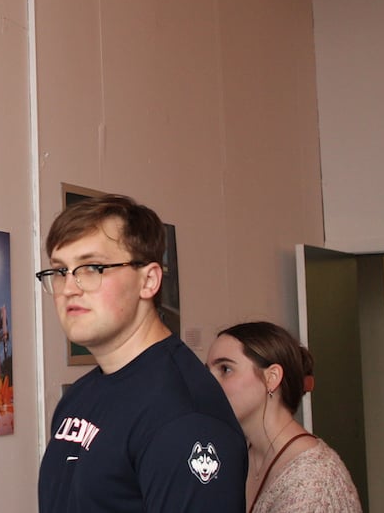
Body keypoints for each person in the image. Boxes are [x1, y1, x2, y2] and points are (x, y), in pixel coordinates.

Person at [37, 194, 247, 512]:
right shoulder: (78, 396)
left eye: (92, 268)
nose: (69, 288)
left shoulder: (184, 415)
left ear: (148, 281)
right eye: (60, 271)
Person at [206, 322, 362, 512]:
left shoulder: (314, 479)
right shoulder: (233, 456)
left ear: (271, 378)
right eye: (207, 371)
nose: (208, 383)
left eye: (225, 369)